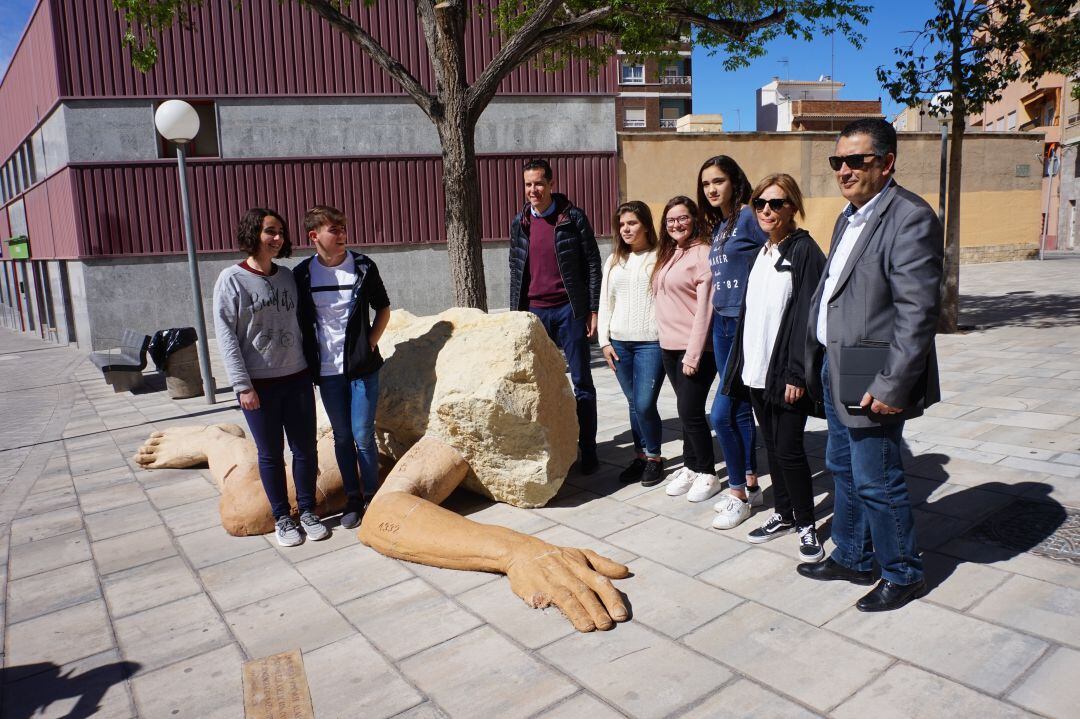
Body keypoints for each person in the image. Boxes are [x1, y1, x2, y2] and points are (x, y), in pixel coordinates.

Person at [798, 118, 943, 612]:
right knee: (841, 466)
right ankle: (854, 554)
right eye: (837, 161)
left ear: (886, 162)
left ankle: (903, 572)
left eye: (855, 161)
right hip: (839, 363)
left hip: (873, 369)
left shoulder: (910, 216)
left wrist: (894, 383)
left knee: (876, 478)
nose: (844, 170)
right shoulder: (849, 215)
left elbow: (917, 311)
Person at [722, 175, 826, 558]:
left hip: (786, 374)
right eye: (760, 202)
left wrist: (798, 373)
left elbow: (809, 317)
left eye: (776, 203)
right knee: (772, 447)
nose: (767, 209)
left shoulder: (803, 250)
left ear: (793, 207)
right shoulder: (764, 253)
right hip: (756, 371)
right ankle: (784, 513)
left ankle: (806, 524)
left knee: (789, 449)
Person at [212, 208, 328, 547]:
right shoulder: (231, 279)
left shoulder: (287, 277)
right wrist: (242, 386)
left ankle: (307, 511)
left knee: (305, 449)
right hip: (258, 386)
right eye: (269, 232)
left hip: (296, 378)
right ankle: (282, 517)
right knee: (270, 453)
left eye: (280, 232)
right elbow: (227, 336)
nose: (277, 239)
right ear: (254, 235)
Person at [294, 205, 391, 530]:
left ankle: (372, 497)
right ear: (314, 236)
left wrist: (370, 343)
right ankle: (352, 497)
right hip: (327, 371)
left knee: (363, 434)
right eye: (334, 230)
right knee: (342, 436)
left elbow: (384, 308)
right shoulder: (303, 274)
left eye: (343, 229)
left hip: (362, 369)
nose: (342, 235)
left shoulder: (362, 267)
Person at [510, 159, 602, 474]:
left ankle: (588, 450)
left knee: (581, 382)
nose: (533, 190)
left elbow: (592, 261)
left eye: (538, 183)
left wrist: (592, 308)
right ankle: (551, 448)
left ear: (550, 183)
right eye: (527, 185)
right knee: (540, 385)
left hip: (568, 310)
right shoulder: (519, 222)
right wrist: (516, 317)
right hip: (535, 313)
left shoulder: (572, 218)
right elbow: (516, 268)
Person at [698, 155, 767, 529]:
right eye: (706, 182)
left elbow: (776, 251)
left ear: (734, 181)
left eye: (719, 181)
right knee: (738, 410)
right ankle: (752, 483)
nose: (712, 188)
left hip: (744, 324)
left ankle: (738, 492)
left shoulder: (748, 216)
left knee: (721, 414)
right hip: (722, 325)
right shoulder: (722, 223)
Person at [652, 196, 718, 502]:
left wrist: (693, 354)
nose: (676, 224)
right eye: (670, 220)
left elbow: (706, 309)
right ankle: (690, 465)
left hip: (696, 349)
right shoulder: (669, 253)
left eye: (682, 218)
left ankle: (707, 472)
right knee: (685, 410)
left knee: (690, 411)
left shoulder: (702, 253)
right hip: (669, 346)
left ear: (694, 219)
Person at [598, 201, 666, 487]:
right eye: (622, 224)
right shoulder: (614, 260)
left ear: (646, 225)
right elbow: (605, 303)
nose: (626, 229)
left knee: (644, 402)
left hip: (651, 343)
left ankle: (654, 458)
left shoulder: (661, 257)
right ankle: (640, 456)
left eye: (632, 223)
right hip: (620, 344)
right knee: (632, 403)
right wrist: (603, 341)